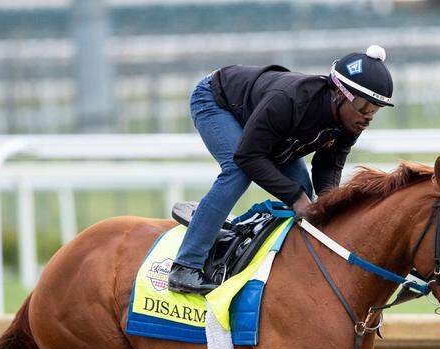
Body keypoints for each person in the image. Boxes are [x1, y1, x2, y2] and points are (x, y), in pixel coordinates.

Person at [167, 45, 395, 294]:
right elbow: (248, 155)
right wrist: (296, 197)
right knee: (238, 171)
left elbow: (327, 166)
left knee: (310, 201)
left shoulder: (350, 122)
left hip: (270, 127)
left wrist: (329, 205)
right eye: (364, 106)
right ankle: (185, 267)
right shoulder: (289, 99)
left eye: (375, 109)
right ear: (340, 93)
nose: (368, 116)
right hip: (217, 100)